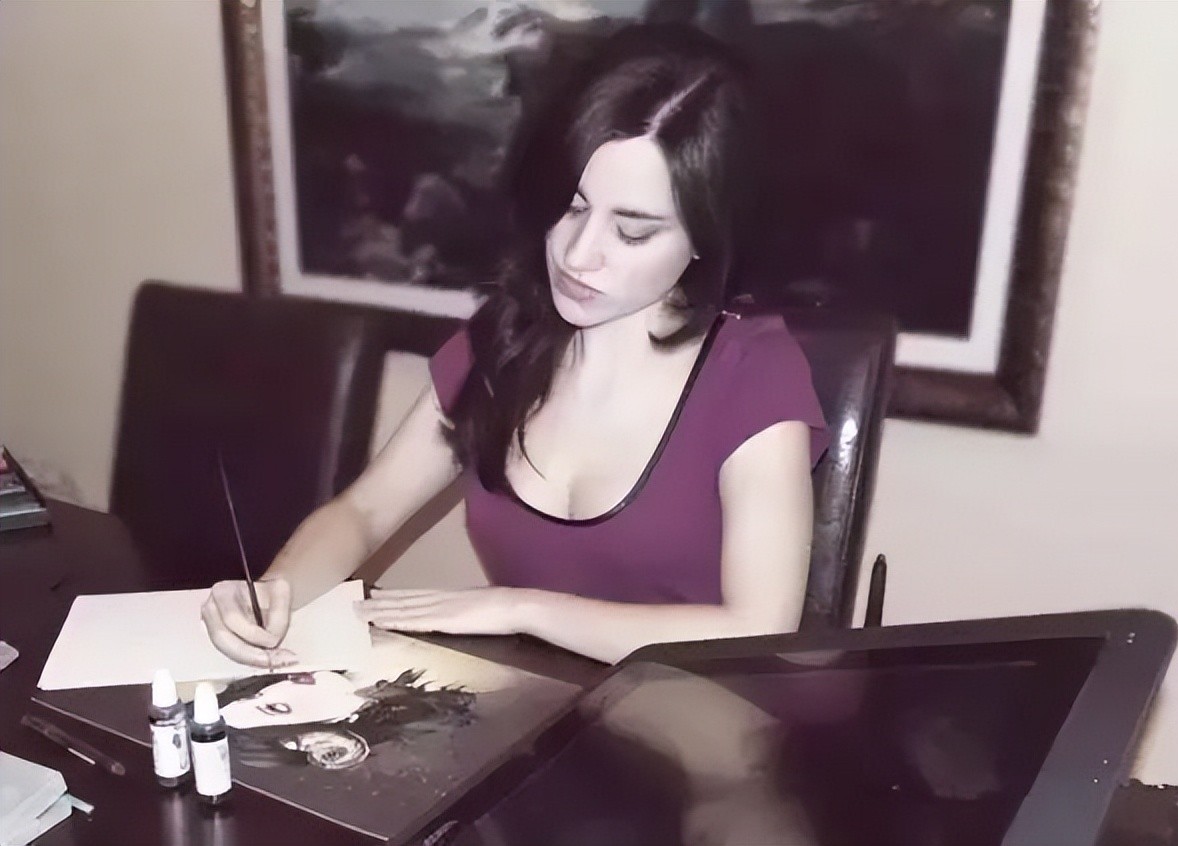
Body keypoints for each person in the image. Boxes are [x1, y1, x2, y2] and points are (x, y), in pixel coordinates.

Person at [202, 24, 828, 666]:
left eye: (632, 232)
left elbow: (759, 627)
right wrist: (275, 595)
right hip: (540, 708)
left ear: (705, 238)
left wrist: (522, 608)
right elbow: (363, 512)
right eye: (572, 207)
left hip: (710, 714)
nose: (579, 255)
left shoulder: (754, 375)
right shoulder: (503, 343)